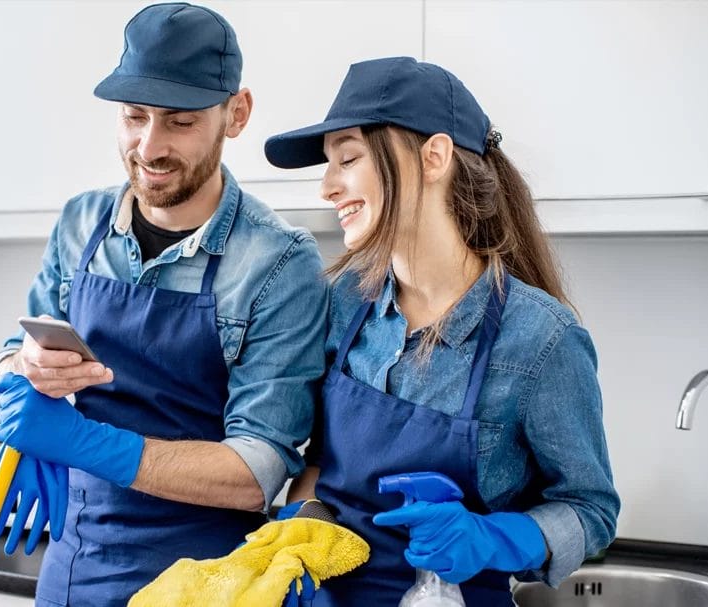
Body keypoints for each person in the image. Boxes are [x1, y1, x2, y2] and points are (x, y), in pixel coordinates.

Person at [0, 4, 328, 606]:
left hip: (199, 582)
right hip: (73, 567)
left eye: (180, 121)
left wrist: (80, 442)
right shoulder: (80, 223)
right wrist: (20, 378)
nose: (150, 145)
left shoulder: (279, 264)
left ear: (236, 114)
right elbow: (15, 353)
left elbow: (258, 472)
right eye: (134, 116)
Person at [261, 57, 620, 606]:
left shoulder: (541, 339)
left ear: (434, 156)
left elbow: (590, 510)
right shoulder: (343, 303)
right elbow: (317, 461)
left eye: (348, 159)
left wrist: (493, 538)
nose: (328, 188)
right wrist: (304, 526)